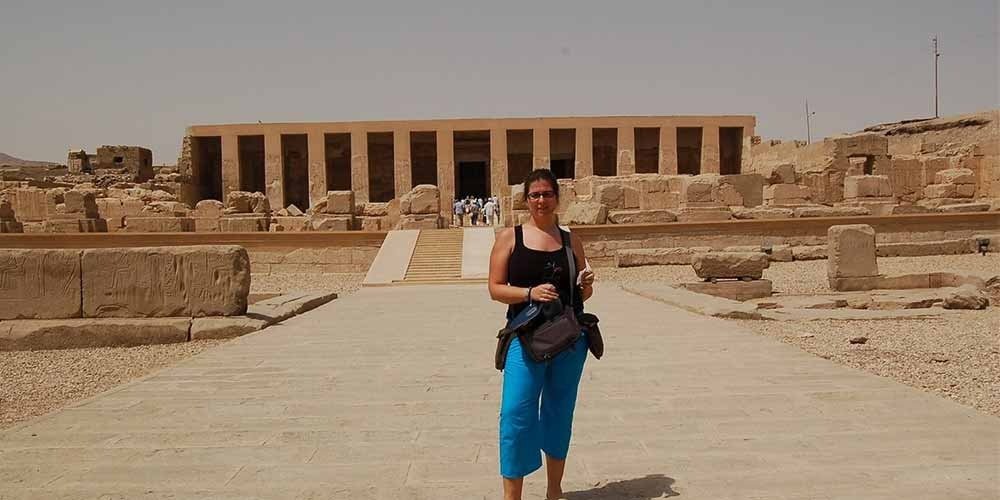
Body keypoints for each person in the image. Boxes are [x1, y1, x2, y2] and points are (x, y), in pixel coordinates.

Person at [488, 169, 596, 500]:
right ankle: (512, 496)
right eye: (534, 195)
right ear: (526, 199)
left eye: (547, 194)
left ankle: (554, 490)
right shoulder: (510, 238)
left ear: (557, 198)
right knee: (515, 414)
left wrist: (587, 285)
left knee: (559, 413)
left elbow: (580, 296)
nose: (541, 200)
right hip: (525, 336)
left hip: (568, 341)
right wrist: (529, 293)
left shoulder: (570, 240)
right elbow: (494, 289)